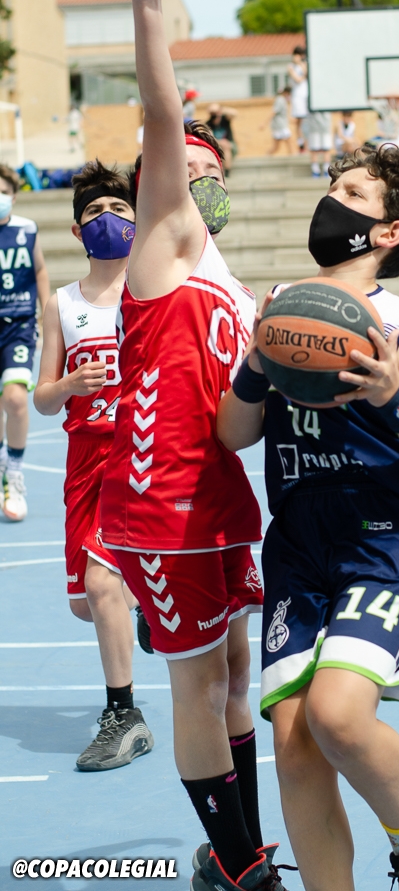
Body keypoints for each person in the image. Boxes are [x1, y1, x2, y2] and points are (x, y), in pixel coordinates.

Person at [218, 142, 399, 891]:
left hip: (382, 541)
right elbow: (232, 433)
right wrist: (256, 365)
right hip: (298, 542)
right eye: (332, 187)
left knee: (338, 715)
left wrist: (394, 396)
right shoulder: (280, 307)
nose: (333, 199)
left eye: (353, 192)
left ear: (390, 232)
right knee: (294, 744)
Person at [101, 0, 283, 891]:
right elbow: (162, 112)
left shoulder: (231, 284)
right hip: (160, 503)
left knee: (237, 673)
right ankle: (245, 863)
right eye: (186, 167)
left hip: (218, 499)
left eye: (214, 170)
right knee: (199, 680)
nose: (199, 178)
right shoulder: (163, 242)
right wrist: (149, 2)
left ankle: (234, 848)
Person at [34, 161, 154, 772]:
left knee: (104, 585)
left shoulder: (153, 293)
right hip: (85, 460)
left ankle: (123, 713)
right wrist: (69, 384)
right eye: (94, 212)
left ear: (139, 222)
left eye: (120, 209)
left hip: (139, 454)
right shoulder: (62, 303)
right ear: (78, 231)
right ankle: (146, 603)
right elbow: (42, 398)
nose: (107, 219)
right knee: (88, 602)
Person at [0, 163, 50, 521]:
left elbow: (40, 270)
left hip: (18, 325)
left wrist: (48, 311)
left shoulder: (26, 229)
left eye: (3, 192)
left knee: (16, 398)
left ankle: (14, 473)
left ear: (14, 196)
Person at [287, 46, 308, 152]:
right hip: (297, 97)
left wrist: (302, 65)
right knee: (299, 121)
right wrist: (304, 73)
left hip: (306, 96)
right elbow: (298, 79)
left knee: (306, 121)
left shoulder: (303, 65)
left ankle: (307, 143)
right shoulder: (291, 66)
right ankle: (301, 144)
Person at [261, 87, 292, 156]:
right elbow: (273, 112)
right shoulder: (280, 100)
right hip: (280, 126)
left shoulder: (282, 100)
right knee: (289, 143)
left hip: (280, 125)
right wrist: (264, 123)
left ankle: (267, 156)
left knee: (276, 147)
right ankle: (293, 158)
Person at [206, 103, 237, 174]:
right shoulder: (208, 124)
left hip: (230, 144)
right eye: (213, 113)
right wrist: (220, 142)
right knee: (223, 145)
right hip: (217, 145)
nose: (215, 115)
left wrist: (221, 110)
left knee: (226, 146)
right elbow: (211, 138)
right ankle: (226, 170)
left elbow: (235, 113)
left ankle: (227, 170)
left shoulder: (225, 120)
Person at [306, 111, 333, 178]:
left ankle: (326, 170)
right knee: (314, 149)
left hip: (325, 127)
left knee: (326, 149)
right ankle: (315, 171)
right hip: (314, 127)